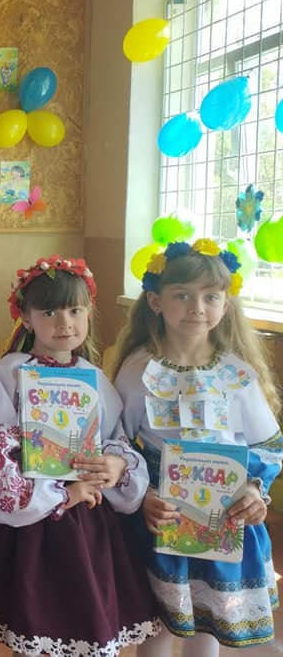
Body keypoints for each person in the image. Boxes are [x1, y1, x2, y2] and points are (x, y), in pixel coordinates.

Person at [0, 255, 161, 656]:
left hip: (87, 526)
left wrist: (116, 465)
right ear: (26, 318)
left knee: (86, 618)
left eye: (75, 310)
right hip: (32, 526)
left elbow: (115, 437)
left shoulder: (95, 377)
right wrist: (59, 494)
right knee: (33, 621)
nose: (64, 322)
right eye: (49, 312)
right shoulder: (11, 373)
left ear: (88, 312)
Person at [111, 239, 283, 655]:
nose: (196, 307)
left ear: (225, 304)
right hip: (160, 518)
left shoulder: (237, 375)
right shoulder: (137, 370)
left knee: (208, 626)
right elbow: (116, 441)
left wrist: (254, 490)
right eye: (182, 295)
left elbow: (268, 444)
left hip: (224, 516)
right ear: (156, 301)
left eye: (210, 297)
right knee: (156, 627)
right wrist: (143, 496)